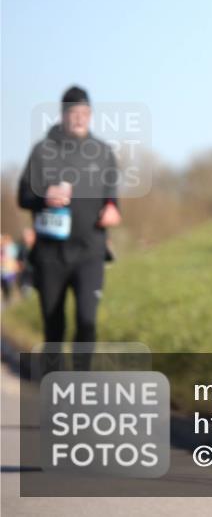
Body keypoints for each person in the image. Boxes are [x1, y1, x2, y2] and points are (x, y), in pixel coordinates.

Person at [17, 86, 121, 369]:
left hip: (90, 251)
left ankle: (80, 383)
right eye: (74, 113)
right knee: (54, 325)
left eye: (85, 113)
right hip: (51, 254)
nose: (80, 119)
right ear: (63, 115)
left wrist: (113, 208)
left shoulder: (102, 152)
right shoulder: (43, 150)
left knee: (87, 321)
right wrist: (43, 197)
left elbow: (112, 196)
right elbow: (23, 196)